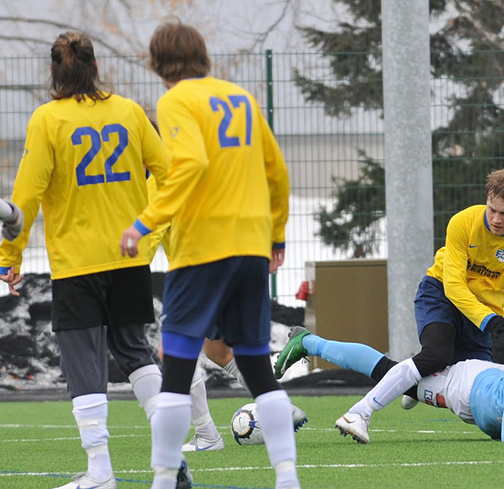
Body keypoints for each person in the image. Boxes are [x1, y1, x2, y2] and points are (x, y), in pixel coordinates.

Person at [0, 32, 188, 489]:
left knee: (84, 364)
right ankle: (170, 458)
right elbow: (169, 176)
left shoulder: (47, 120)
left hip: (78, 265)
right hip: (129, 257)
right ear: (94, 67)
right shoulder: (129, 112)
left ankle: (101, 472)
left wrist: (10, 254)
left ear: (54, 72)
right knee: (136, 355)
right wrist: (150, 228)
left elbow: (26, 195)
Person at [120, 21, 300, 489]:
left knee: (175, 367)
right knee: (258, 366)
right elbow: (277, 172)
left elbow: (190, 165)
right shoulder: (241, 98)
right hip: (252, 247)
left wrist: (144, 221)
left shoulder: (176, 99)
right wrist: (276, 236)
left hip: (203, 249)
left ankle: (163, 481)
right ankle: (288, 477)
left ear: (158, 63)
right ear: (203, 55)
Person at [275, 168, 504, 442]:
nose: (496, 219)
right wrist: (487, 320)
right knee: (437, 354)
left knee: (474, 399)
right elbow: (453, 286)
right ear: (485, 202)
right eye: (491, 210)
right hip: (440, 294)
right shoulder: (463, 222)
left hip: (479, 315)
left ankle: (315, 344)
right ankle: (359, 413)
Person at [145, 192, 307, 453]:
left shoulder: (163, 177)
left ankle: (205, 435)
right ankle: (281, 410)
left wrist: (128, 264)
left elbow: (150, 232)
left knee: (174, 352)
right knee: (219, 351)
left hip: (196, 273)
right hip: (241, 259)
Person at [276, 329, 504, 443]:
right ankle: (311, 343)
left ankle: (415, 390)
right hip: (465, 387)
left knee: (401, 376)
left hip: (488, 373)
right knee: (387, 371)